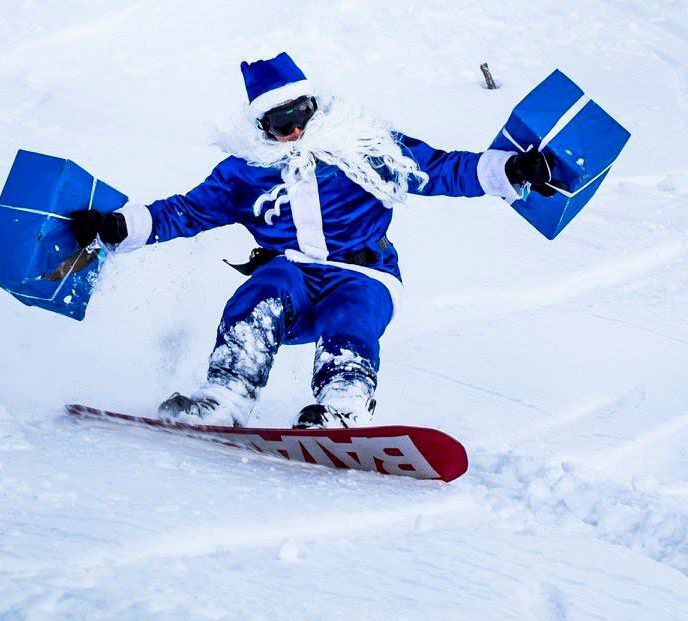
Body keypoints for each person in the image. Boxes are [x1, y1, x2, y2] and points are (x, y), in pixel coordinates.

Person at [65, 53, 560, 429]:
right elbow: (186, 211)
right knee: (266, 281)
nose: (297, 129)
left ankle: (343, 402)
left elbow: (439, 168)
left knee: (352, 308)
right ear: (263, 127)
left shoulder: (365, 146)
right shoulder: (246, 172)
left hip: (363, 273)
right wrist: (118, 227)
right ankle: (226, 394)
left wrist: (509, 169)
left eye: (303, 112)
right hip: (294, 281)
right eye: (282, 124)